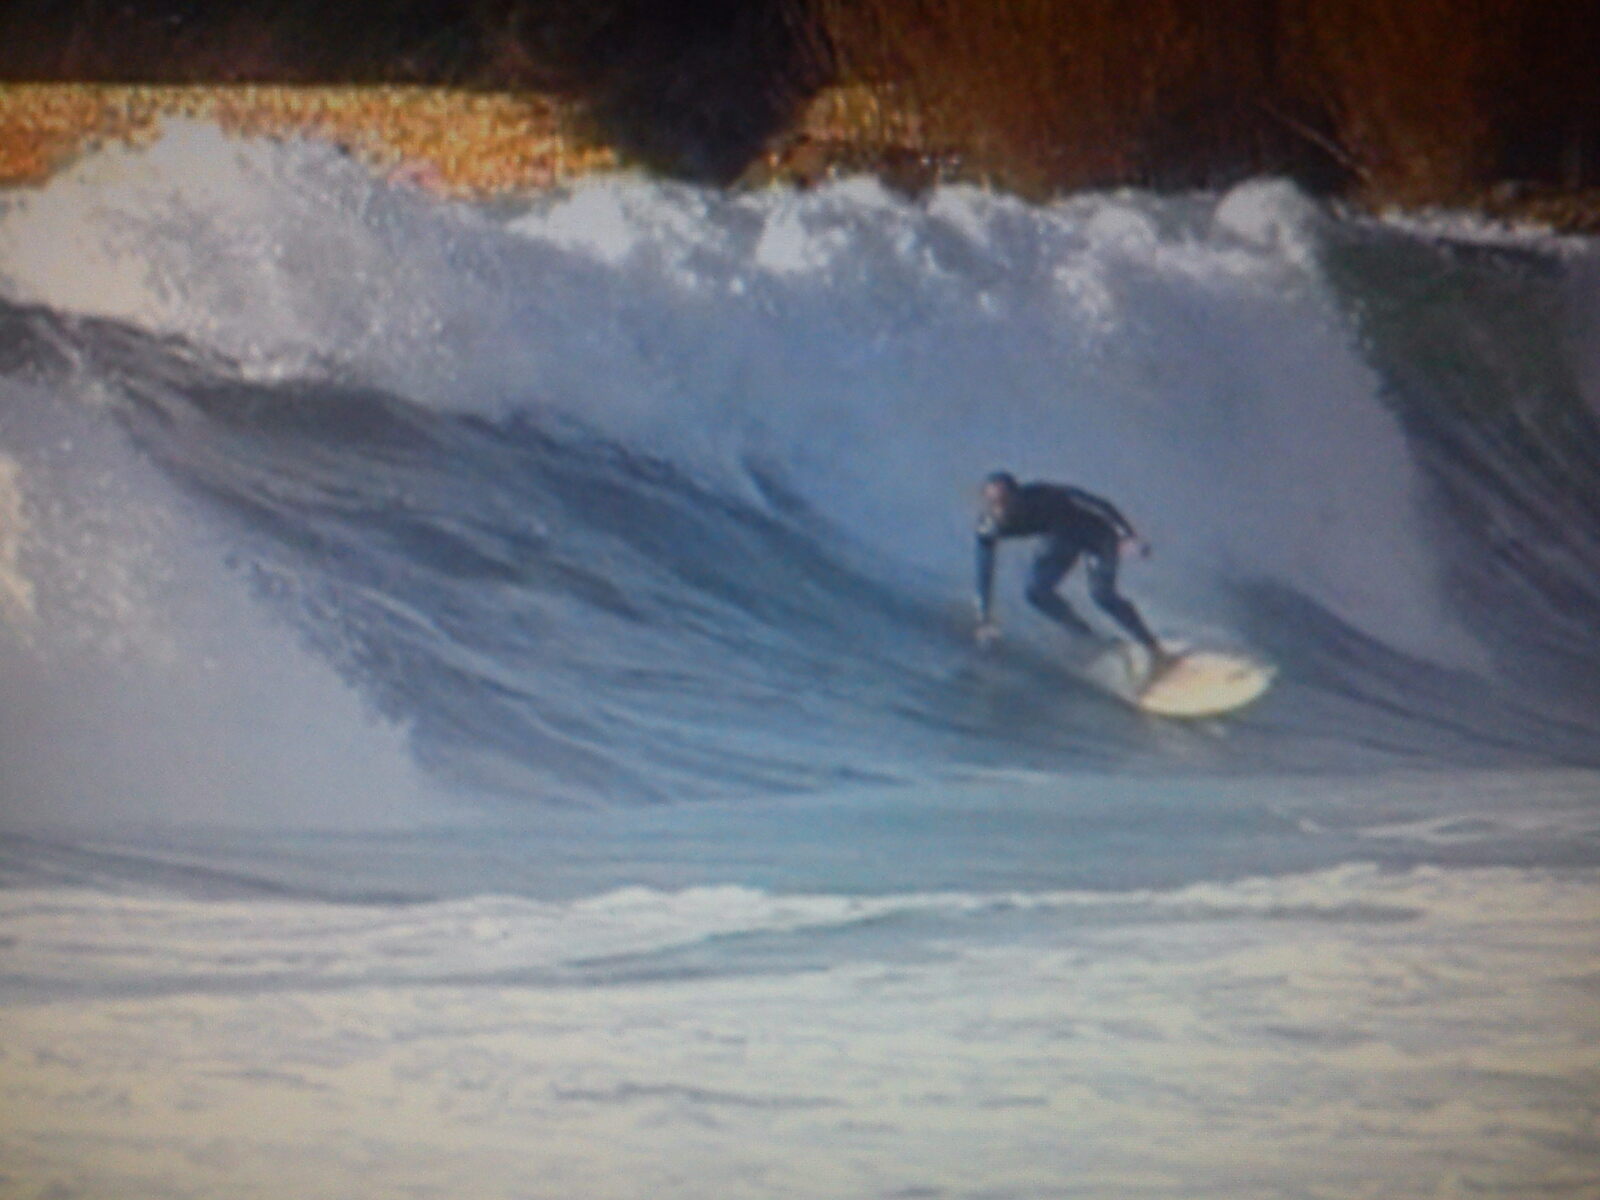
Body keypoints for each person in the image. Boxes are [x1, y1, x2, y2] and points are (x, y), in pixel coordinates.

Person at [974, 470, 1174, 670]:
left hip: (1096, 535)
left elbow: (1098, 504)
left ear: (1017, 496)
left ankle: (1153, 648)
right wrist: (985, 620)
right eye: (993, 503)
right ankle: (1094, 641)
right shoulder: (989, 526)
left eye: (1004, 501)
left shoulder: (1044, 496)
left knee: (1102, 595)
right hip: (1060, 540)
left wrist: (1128, 537)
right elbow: (984, 571)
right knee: (1035, 593)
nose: (999, 509)